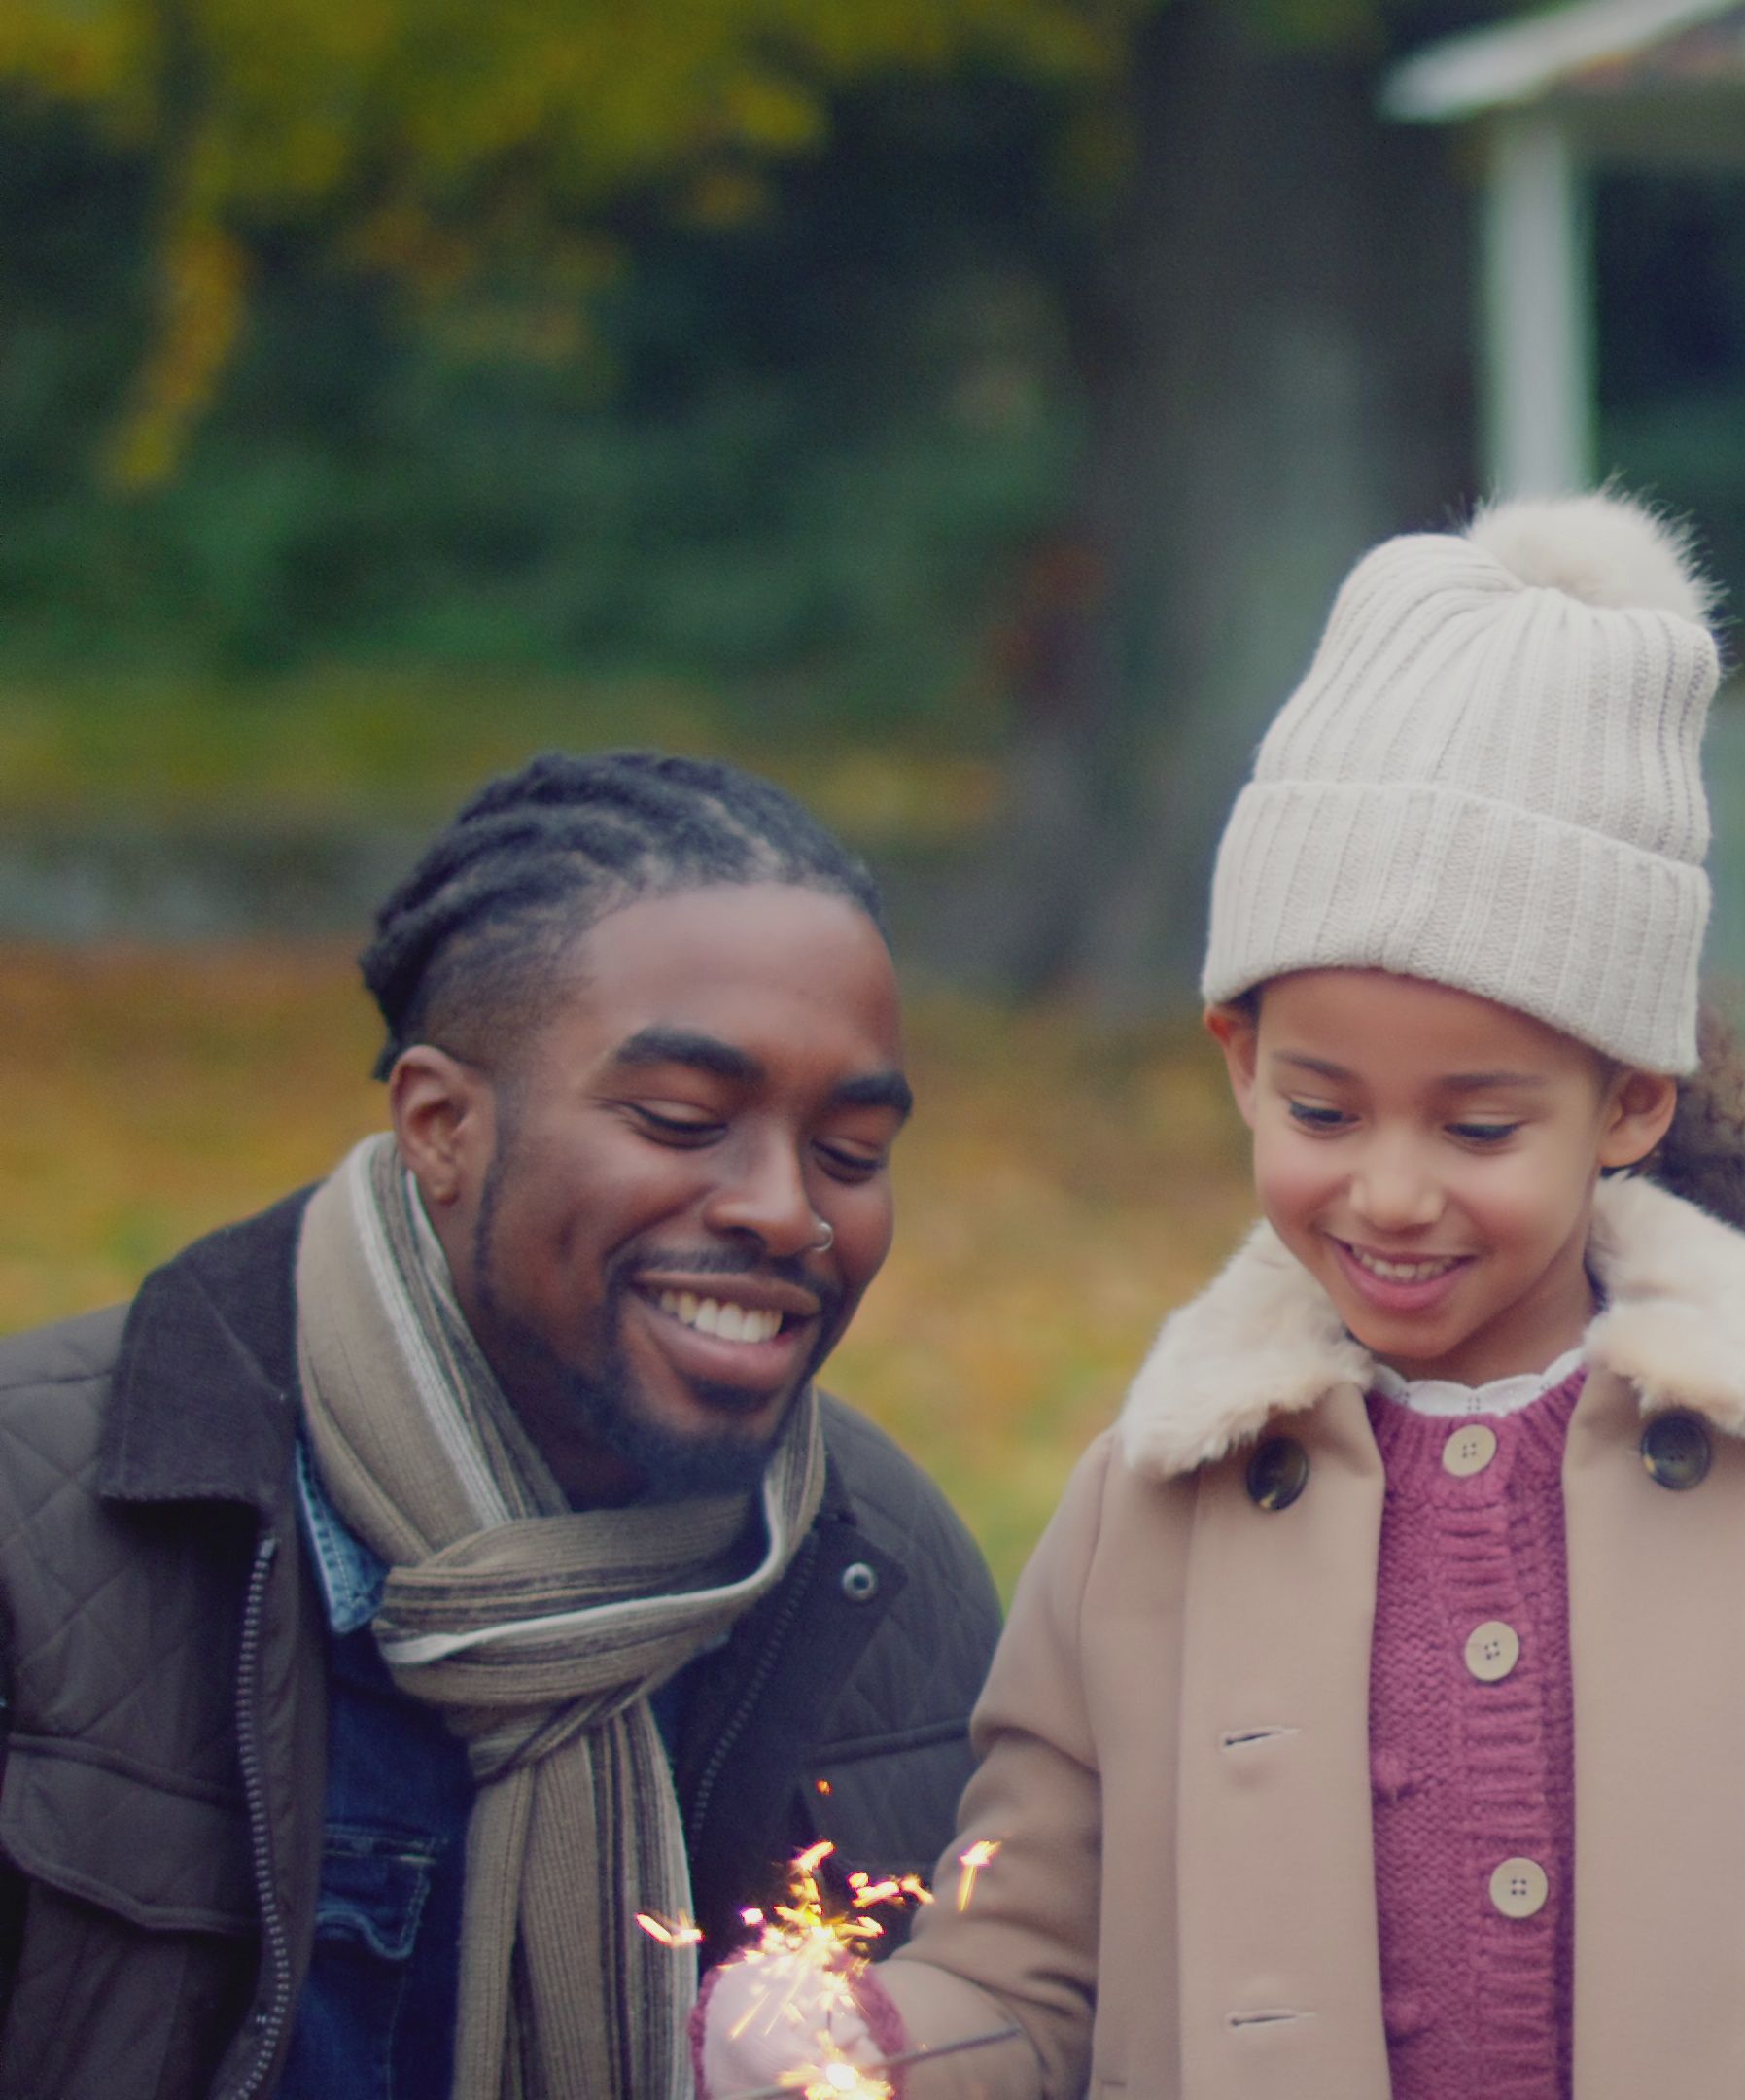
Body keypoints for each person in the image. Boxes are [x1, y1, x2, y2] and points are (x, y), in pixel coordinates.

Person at [698, 492, 1745, 2100]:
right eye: (1323, 1112)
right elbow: (1028, 1958)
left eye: (1478, 1126)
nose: (1389, 1191)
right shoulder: (1149, 1511)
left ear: (1633, 1105)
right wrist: (870, 2045)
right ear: (1239, 1064)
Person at [0, 752, 1004, 2100]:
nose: (785, 1210)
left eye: (852, 1152)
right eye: (682, 1120)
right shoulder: (49, 1527)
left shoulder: (883, 1569)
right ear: (440, 1126)